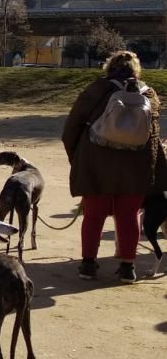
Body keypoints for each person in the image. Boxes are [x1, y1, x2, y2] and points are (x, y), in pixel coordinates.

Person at [62, 50, 167, 284]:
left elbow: (72, 126)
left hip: (96, 162)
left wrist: (77, 158)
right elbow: (153, 135)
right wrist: (152, 167)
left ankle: (88, 265)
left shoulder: (97, 90)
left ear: (109, 66)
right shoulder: (149, 93)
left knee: (93, 216)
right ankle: (128, 267)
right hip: (136, 166)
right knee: (128, 216)